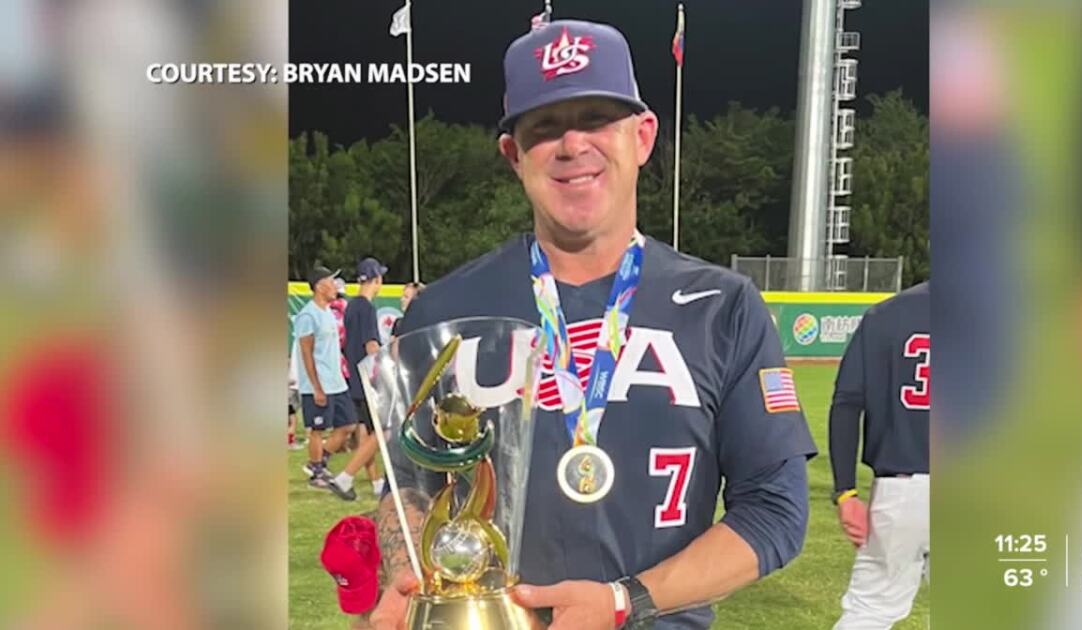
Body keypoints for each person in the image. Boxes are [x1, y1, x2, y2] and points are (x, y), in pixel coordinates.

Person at [368, 20, 817, 629]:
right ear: (513, 154)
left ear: (643, 136)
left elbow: (775, 511)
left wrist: (623, 600)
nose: (573, 145)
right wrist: (407, 576)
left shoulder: (722, 305)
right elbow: (408, 486)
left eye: (596, 119)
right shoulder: (445, 313)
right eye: (545, 127)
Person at [828, 281, 930, 629]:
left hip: (901, 491)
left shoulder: (886, 314)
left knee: (869, 612)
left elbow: (846, 404)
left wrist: (845, 492)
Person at [327, 257, 390, 501]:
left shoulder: (351, 306)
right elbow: (371, 345)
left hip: (353, 377)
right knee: (383, 432)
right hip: (367, 378)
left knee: (367, 431)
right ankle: (345, 477)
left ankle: (375, 481)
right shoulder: (367, 307)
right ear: (377, 279)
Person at [296, 266, 358, 489]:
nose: (336, 286)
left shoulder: (329, 313)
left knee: (348, 425)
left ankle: (318, 462)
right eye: (332, 282)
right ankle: (316, 473)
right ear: (320, 286)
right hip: (319, 383)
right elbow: (306, 352)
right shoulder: (307, 315)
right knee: (317, 428)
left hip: (336, 382)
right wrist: (316, 387)